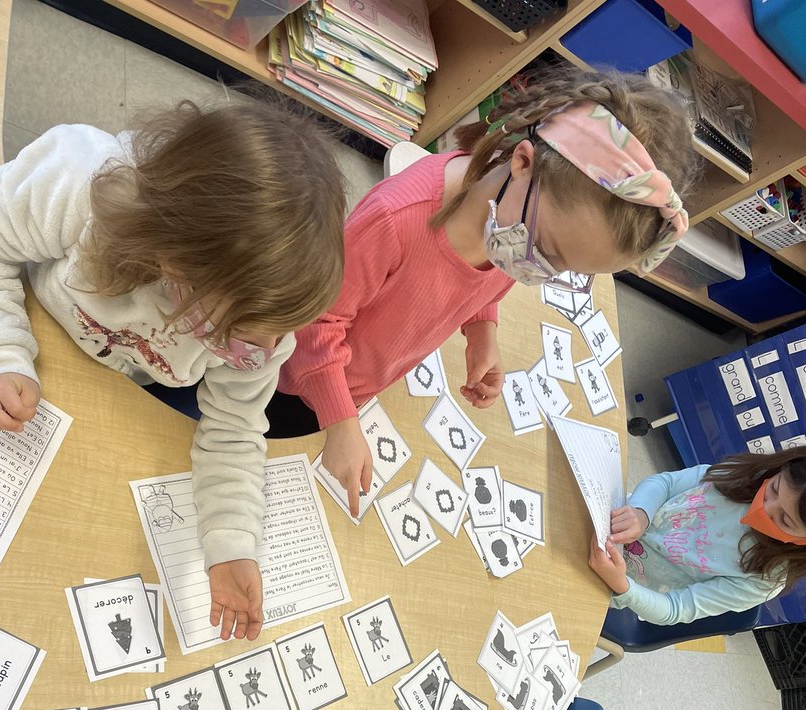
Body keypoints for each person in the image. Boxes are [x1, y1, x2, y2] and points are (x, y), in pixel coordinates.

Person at [0, 99, 346, 641]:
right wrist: (5, 352)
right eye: (239, 331)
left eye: (277, 331)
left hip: (113, 396)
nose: (268, 349)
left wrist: (229, 541)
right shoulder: (76, 185)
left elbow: (234, 429)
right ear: (174, 265)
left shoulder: (259, 331)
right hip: (33, 338)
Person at [274, 64, 697, 514]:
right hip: (290, 379)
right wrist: (340, 419)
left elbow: (490, 280)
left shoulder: (510, 227)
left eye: (565, 268)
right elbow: (313, 322)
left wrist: (483, 333)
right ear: (522, 162)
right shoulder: (395, 220)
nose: (539, 272)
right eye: (548, 251)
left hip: (358, 386)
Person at [588, 449, 806, 625]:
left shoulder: (764, 578)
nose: (764, 508)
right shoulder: (741, 475)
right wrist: (641, 512)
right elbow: (666, 484)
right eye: (774, 489)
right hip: (604, 518)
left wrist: (622, 586)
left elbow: (674, 609)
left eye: (784, 520)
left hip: (605, 582)